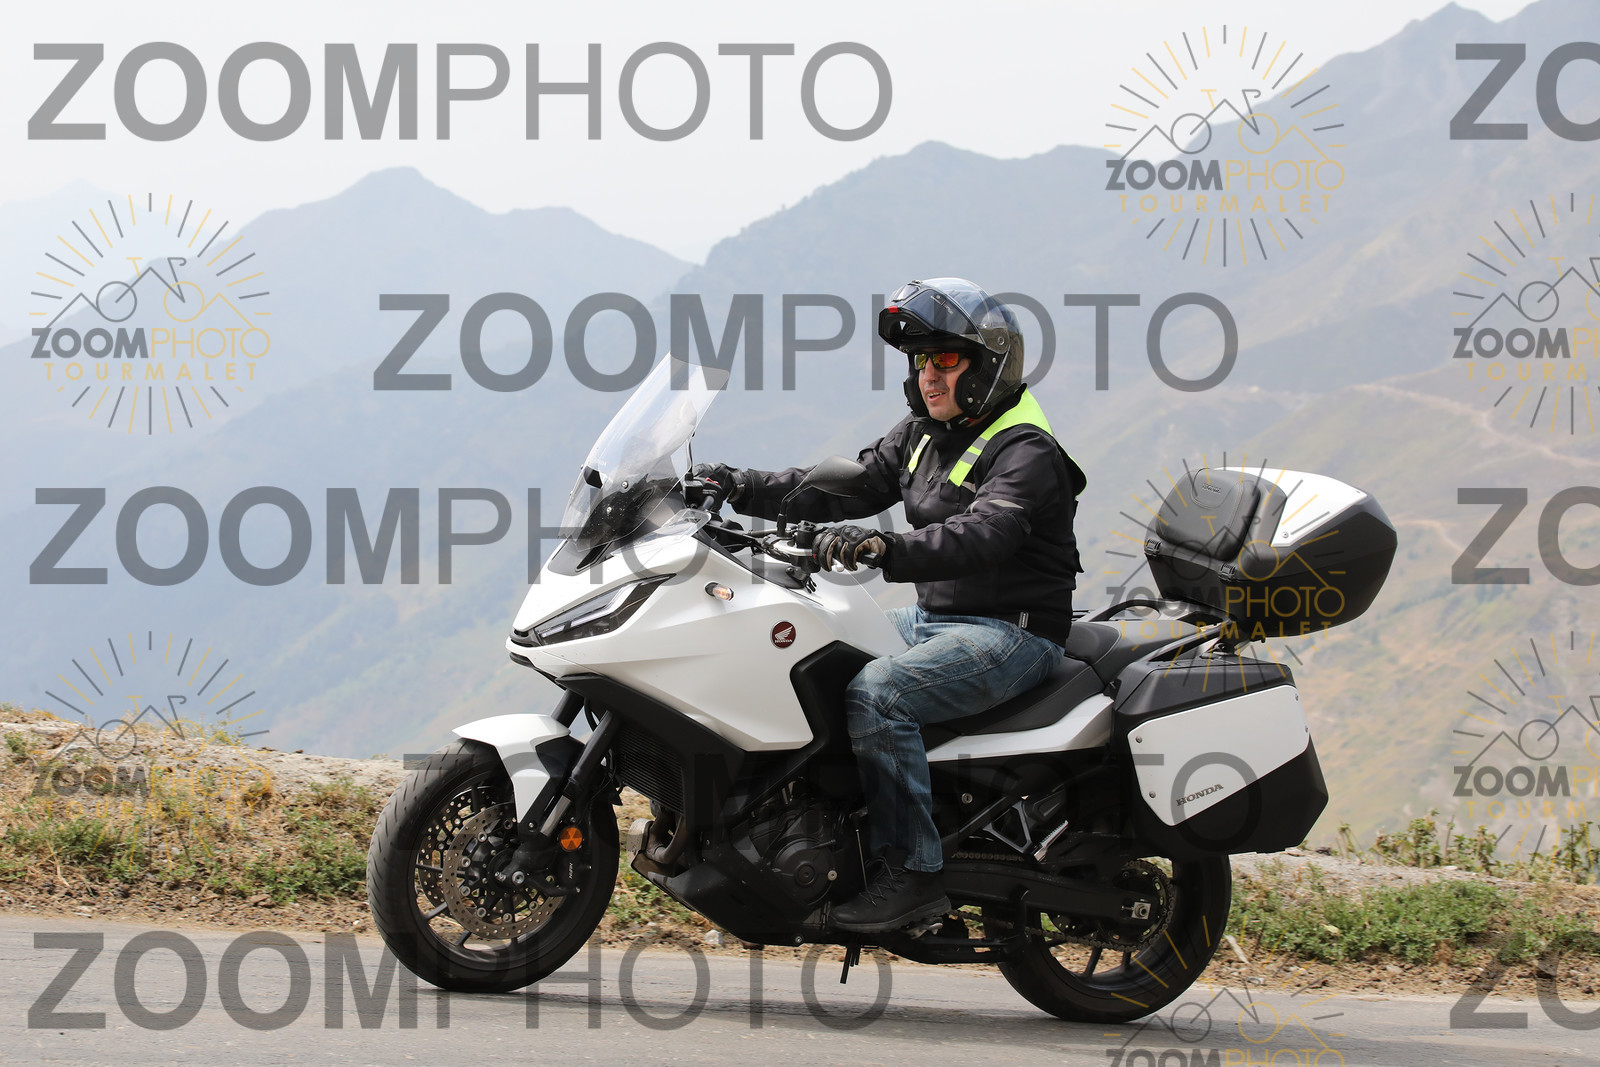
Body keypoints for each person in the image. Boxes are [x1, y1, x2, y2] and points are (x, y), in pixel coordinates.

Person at [693, 277, 1086, 933]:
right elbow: (839, 487)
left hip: (1013, 634)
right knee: (813, 641)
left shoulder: (1027, 450)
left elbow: (984, 533)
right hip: (937, 621)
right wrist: (731, 483)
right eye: (922, 360)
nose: (929, 375)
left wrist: (882, 546)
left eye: (945, 359)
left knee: (880, 694)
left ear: (987, 364)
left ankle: (912, 872)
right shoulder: (924, 433)